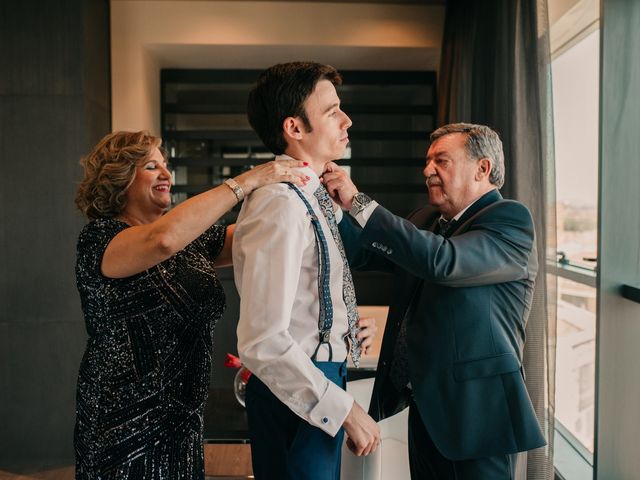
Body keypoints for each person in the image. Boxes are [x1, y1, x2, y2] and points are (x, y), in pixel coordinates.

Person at [72, 130, 310, 479]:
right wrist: (249, 180)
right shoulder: (100, 239)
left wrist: (307, 193)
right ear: (119, 179)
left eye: (166, 164)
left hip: (182, 419)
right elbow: (163, 239)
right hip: (122, 422)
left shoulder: (191, 239)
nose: (166, 173)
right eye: (152, 166)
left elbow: (258, 236)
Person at [322, 123, 547, 480]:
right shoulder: (426, 219)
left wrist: (358, 202)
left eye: (441, 160)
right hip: (426, 408)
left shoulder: (510, 221)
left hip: (478, 417)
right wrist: (332, 208)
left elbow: (443, 262)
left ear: (482, 168)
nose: (428, 171)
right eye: (428, 162)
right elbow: (364, 253)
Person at [232, 62, 381, 480]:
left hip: (317, 377)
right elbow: (262, 340)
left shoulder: (313, 195)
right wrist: (345, 409)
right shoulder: (279, 203)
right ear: (295, 128)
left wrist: (341, 328)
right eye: (332, 110)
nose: (347, 119)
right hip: (296, 391)